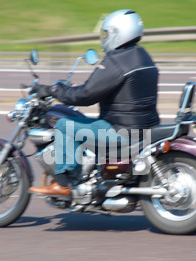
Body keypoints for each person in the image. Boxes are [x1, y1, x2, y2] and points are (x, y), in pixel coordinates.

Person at [29, 9, 160, 196]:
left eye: (107, 33)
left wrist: (54, 90)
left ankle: (64, 182)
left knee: (64, 125)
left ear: (118, 33)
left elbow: (85, 95)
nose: (105, 38)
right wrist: (76, 89)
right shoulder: (143, 56)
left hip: (121, 131)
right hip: (144, 127)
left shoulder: (116, 61)